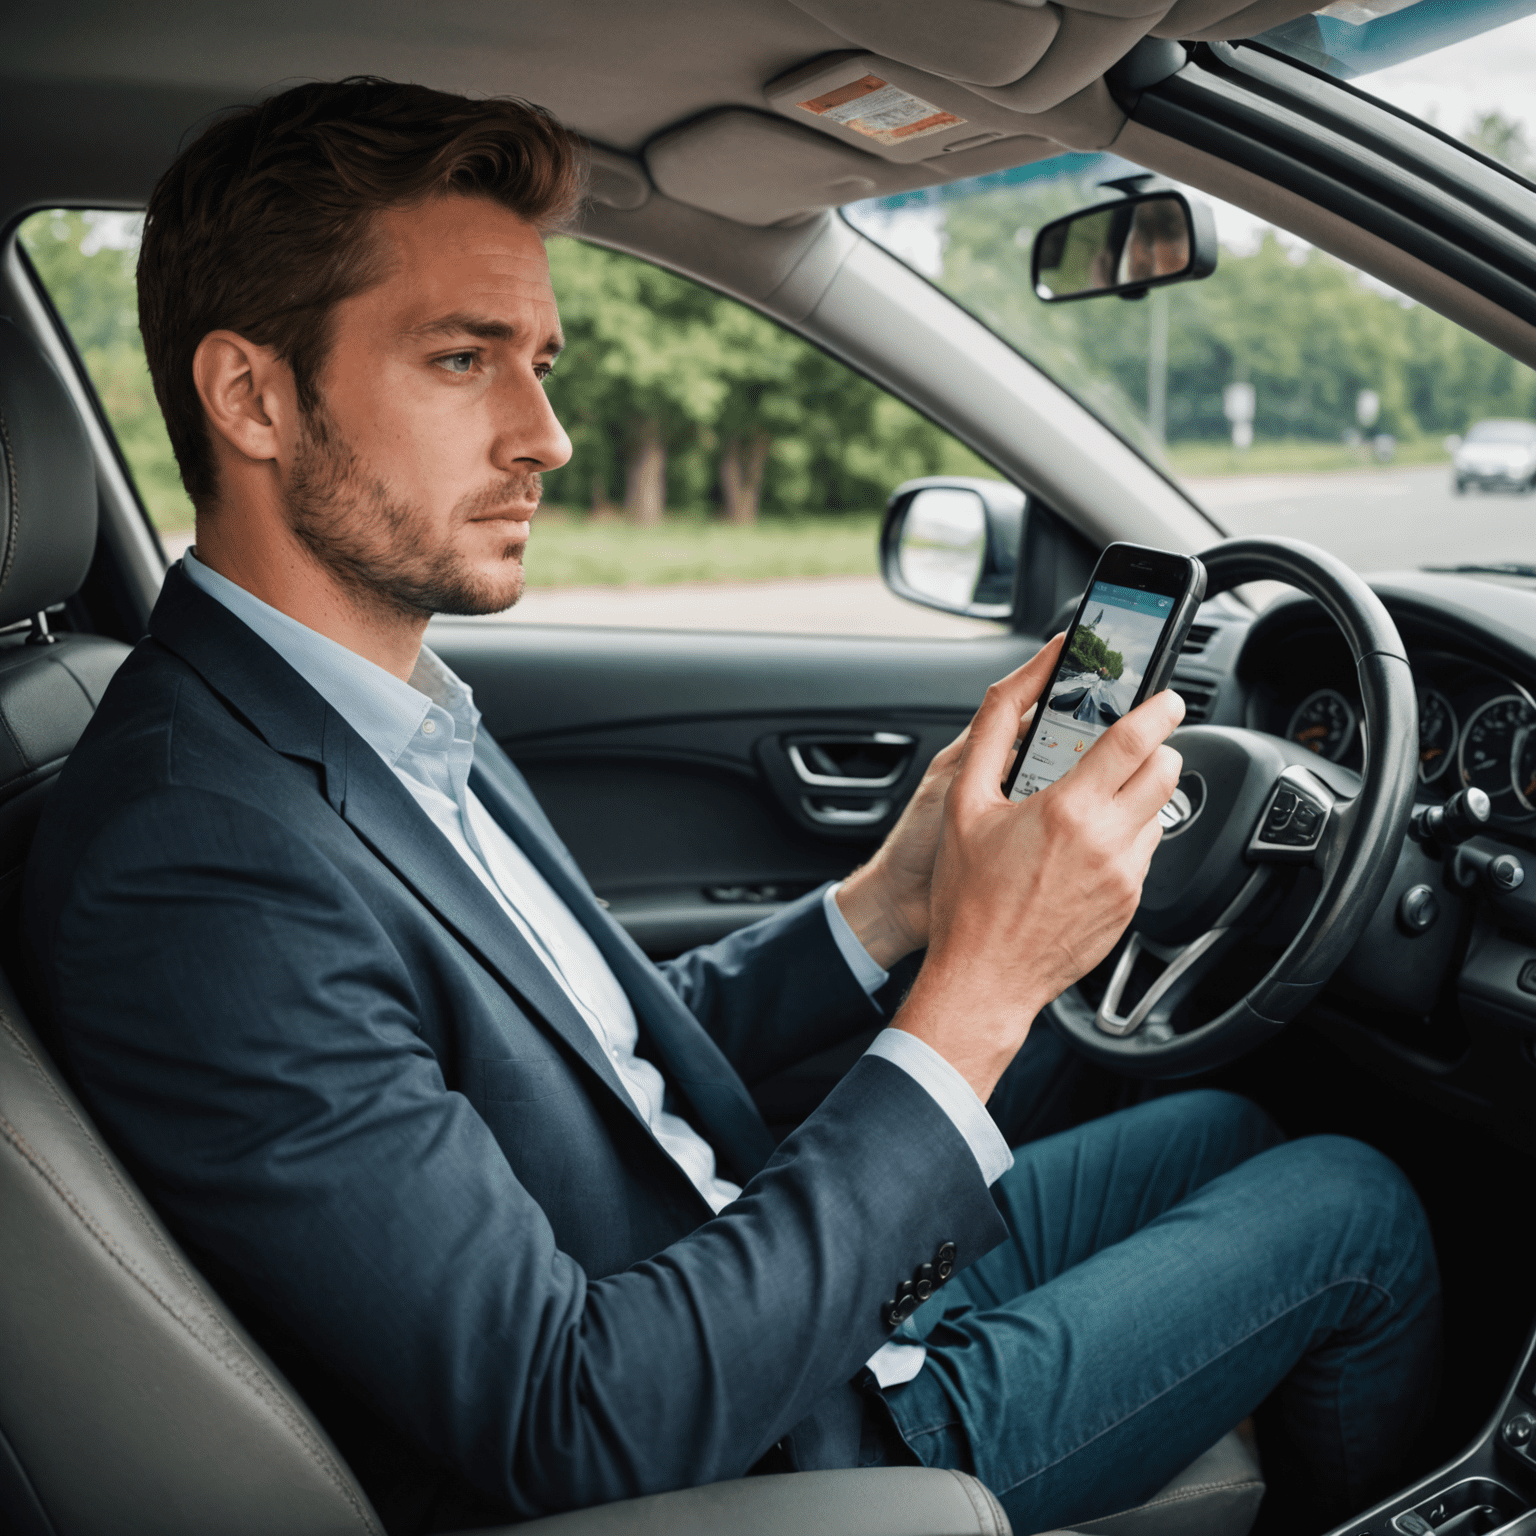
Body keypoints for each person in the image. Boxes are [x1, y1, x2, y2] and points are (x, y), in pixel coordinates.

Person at [25, 77, 1439, 1536]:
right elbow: (573, 1421)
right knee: (1359, 1207)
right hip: (781, 1440)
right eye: (464, 359)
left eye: (543, 362)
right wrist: (987, 984)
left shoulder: (379, 706)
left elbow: (592, 1063)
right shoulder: (194, 865)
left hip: (756, 1272)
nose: (546, 436)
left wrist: (892, 901)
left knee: (1230, 1128)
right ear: (250, 396)